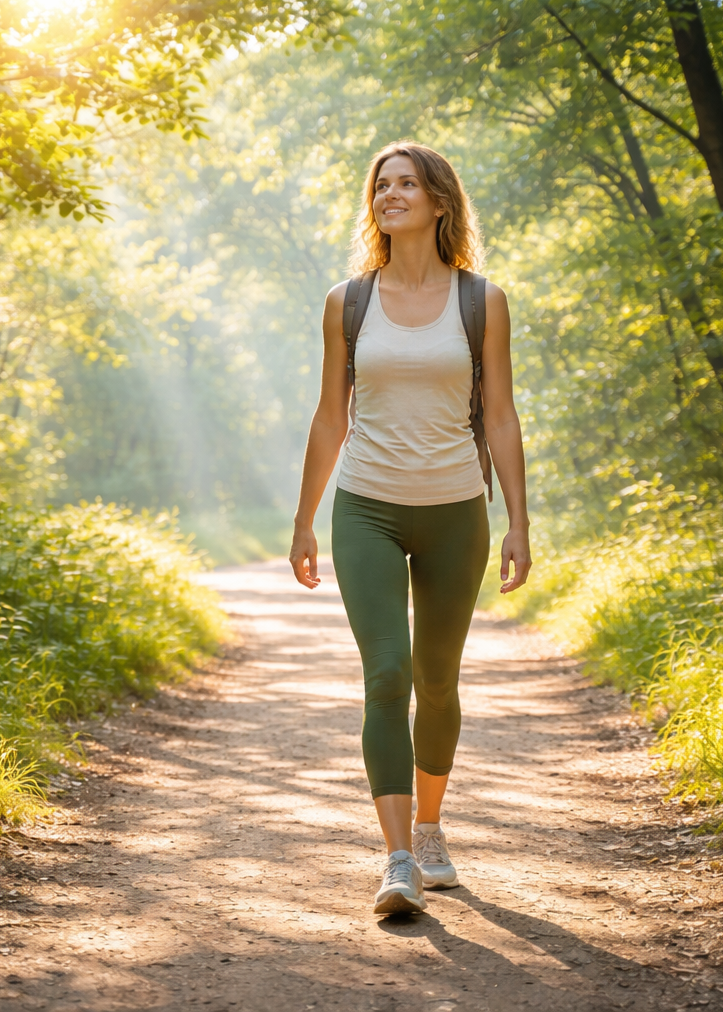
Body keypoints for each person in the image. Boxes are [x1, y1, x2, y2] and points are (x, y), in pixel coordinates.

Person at [288, 141, 532, 916]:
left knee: (437, 679)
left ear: (439, 202)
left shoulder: (481, 300)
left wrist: (520, 521)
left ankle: (430, 828)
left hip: (458, 510)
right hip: (366, 507)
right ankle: (397, 860)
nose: (390, 194)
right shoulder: (348, 301)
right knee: (387, 675)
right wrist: (304, 521)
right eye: (381, 185)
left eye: (407, 184)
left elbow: (499, 416)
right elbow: (332, 417)